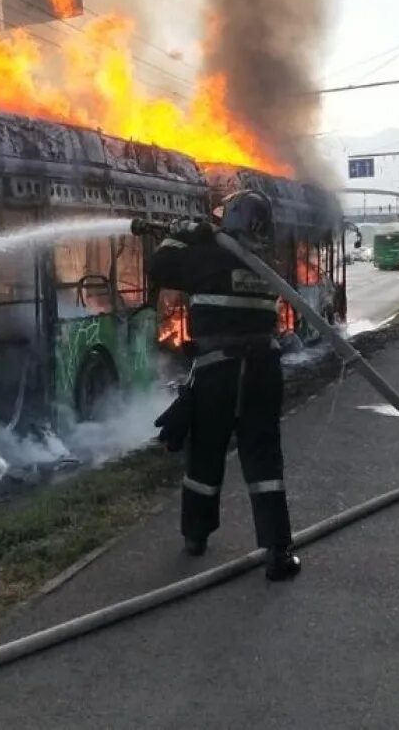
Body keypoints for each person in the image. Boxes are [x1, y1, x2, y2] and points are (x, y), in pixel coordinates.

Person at [143, 192, 301, 582]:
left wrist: (181, 235)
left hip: (217, 373)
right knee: (264, 457)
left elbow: (159, 267)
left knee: (205, 454)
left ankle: (196, 537)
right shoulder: (268, 265)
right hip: (264, 373)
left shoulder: (205, 257)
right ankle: (278, 552)